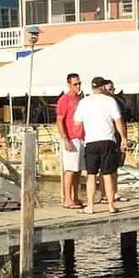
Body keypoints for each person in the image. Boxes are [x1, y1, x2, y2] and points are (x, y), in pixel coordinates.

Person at [73, 76, 127, 214]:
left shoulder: (84, 102)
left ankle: (90, 206)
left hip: (91, 141)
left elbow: (77, 123)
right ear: (103, 87)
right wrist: (123, 138)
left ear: (92, 87)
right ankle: (110, 205)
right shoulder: (110, 101)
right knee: (107, 174)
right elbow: (118, 121)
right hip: (107, 139)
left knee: (91, 175)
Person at [55, 72, 85, 209]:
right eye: (75, 84)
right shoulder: (64, 100)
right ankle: (67, 198)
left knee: (78, 169)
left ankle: (75, 196)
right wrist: (65, 138)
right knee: (70, 170)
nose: (78, 86)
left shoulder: (80, 99)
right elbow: (60, 120)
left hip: (81, 137)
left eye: (79, 83)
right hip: (71, 137)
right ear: (69, 84)